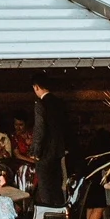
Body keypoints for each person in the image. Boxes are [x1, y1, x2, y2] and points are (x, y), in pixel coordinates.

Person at [30, 77, 71, 209]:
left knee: (45, 188)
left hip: (45, 153)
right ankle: (60, 214)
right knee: (57, 187)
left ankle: (48, 214)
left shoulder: (40, 104)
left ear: (36, 87)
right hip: (58, 152)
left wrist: (36, 152)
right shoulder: (60, 103)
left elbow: (40, 129)